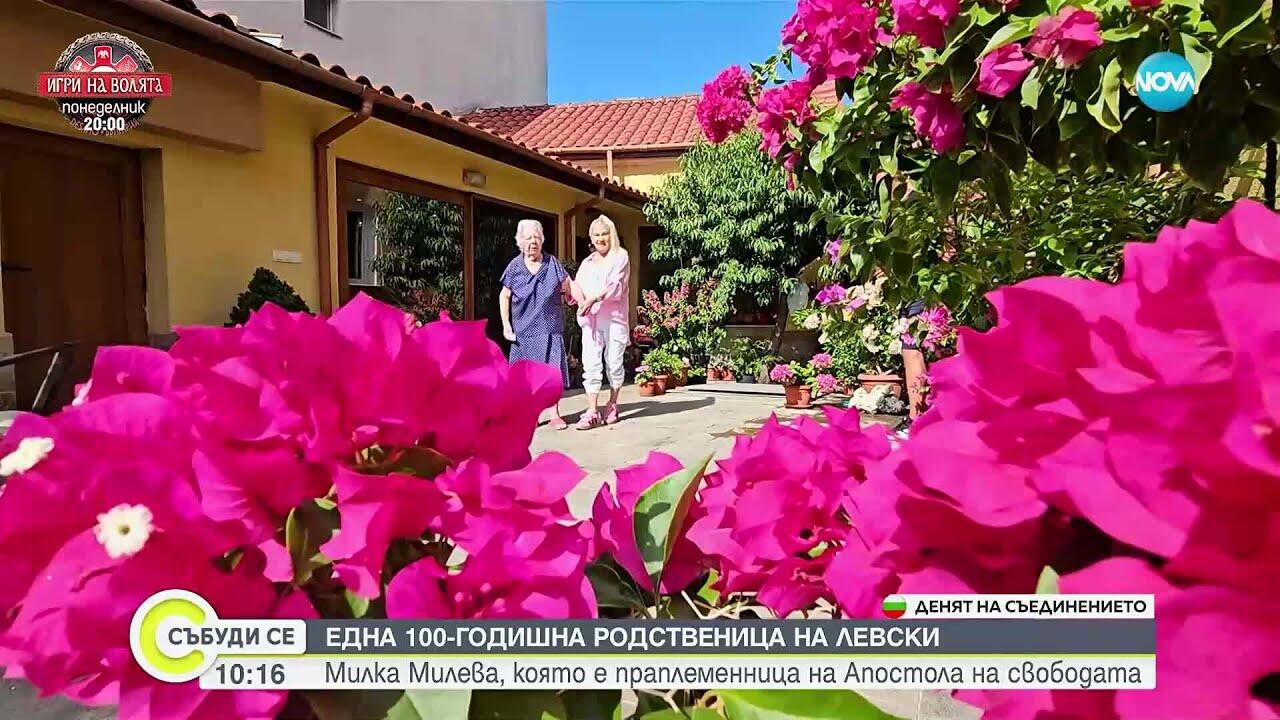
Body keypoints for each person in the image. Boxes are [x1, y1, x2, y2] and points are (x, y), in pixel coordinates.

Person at [499, 219, 574, 429]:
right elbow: (504, 295)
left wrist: (577, 299)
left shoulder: (552, 263)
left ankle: (555, 414)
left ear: (542, 241)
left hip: (550, 328)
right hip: (524, 331)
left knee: (551, 373)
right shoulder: (514, 267)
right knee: (527, 377)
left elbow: (568, 284)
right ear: (520, 242)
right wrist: (506, 325)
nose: (533, 242)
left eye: (536, 237)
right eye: (528, 238)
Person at [572, 215, 630, 430]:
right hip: (591, 320)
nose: (600, 238)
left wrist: (593, 299)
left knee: (614, 363)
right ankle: (592, 410)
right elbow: (577, 286)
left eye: (604, 233)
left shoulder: (620, 256)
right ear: (591, 238)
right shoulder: (587, 262)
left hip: (614, 319)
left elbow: (615, 286)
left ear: (611, 234)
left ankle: (613, 403)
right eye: (596, 235)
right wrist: (578, 299)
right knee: (590, 362)